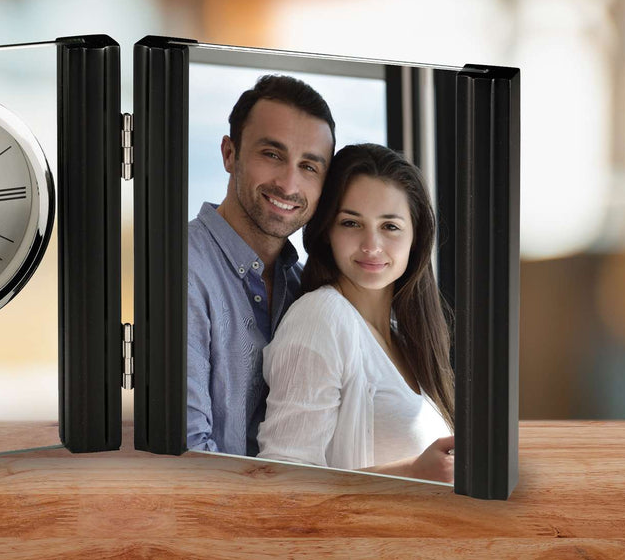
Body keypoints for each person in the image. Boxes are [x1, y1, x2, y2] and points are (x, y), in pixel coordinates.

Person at [257, 143, 455, 483]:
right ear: (327, 233)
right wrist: (411, 473)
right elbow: (282, 482)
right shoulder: (321, 318)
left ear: (416, 236)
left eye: (390, 226)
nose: (371, 245)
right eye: (351, 223)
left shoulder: (404, 336)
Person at [187, 75, 336, 456]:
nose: (288, 184)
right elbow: (186, 454)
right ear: (229, 154)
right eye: (272, 155)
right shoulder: (182, 269)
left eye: (309, 167)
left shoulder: (306, 291)